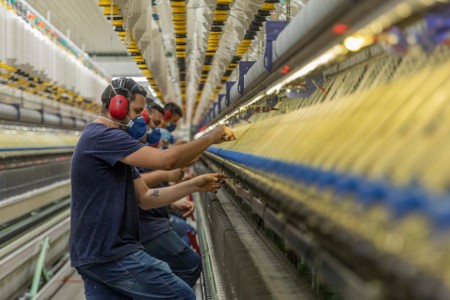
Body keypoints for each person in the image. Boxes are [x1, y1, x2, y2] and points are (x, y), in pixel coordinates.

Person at [70, 77, 235, 299]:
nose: (141, 119)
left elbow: (146, 197)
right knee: (183, 296)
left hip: (92, 255)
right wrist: (211, 137)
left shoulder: (115, 151)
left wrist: (195, 184)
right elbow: (169, 161)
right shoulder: (104, 137)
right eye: (138, 111)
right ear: (117, 106)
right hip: (112, 253)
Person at [137, 99, 202, 287]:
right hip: (147, 225)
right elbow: (139, 188)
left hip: (155, 218)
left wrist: (172, 203)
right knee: (190, 264)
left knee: (188, 237)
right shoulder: (132, 150)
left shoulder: (148, 147)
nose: (156, 130)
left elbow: (149, 190)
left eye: (158, 124)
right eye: (152, 123)